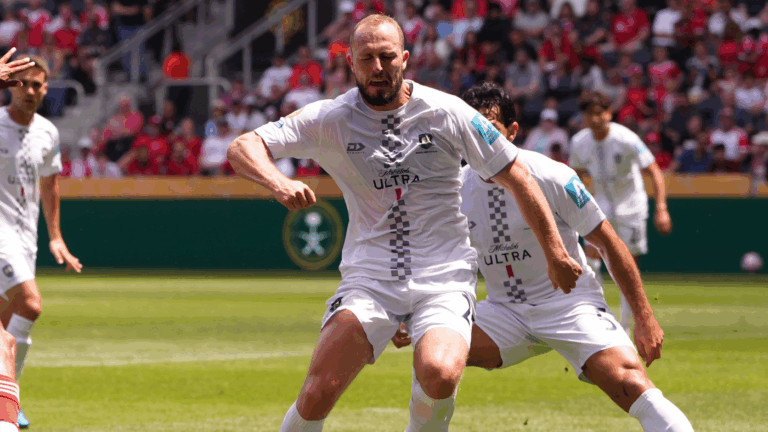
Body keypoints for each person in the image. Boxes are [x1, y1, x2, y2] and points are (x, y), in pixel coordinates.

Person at [226, 14, 582, 432]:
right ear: (351, 63)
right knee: (318, 391)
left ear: (405, 59)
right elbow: (242, 146)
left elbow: (517, 173)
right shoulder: (331, 118)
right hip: (370, 277)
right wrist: (278, 182)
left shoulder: (447, 111)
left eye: (387, 56)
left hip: (443, 275)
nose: (377, 68)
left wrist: (555, 251)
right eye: (366, 58)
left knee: (440, 371)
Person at [393, 81, 695, 432]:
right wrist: (408, 311)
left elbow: (610, 245)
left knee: (630, 382)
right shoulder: (452, 190)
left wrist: (644, 317)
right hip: (503, 311)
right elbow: (428, 257)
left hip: (568, 304)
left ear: (513, 131)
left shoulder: (553, 175)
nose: (481, 140)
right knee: (433, 360)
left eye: (490, 128)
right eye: (472, 130)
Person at [0, 48, 83, 430]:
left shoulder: (48, 132)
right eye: (22, 84)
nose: (29, 91)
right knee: (31, 305)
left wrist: (56, 236)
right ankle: (8, 400)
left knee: (5, 328)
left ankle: (7, 399)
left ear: (46, 88)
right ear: (10, 87)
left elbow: (51, 186)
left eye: (36, 84)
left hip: (25, 235)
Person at [570, 92, 672, 335]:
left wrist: (661, 208)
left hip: (631, 207)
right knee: (591, 259)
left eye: (599, 113)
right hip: (600, 205)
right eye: (589, 114)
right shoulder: (578, 142)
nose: (595, 119)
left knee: (628, 266)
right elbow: (574, 176)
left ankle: (626, 326)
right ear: (584, 117)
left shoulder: (627, 138)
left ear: (609, 114)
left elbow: (655, 171)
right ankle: (596, 319)